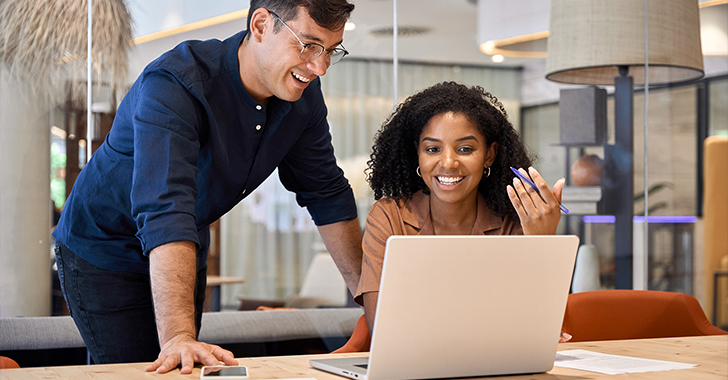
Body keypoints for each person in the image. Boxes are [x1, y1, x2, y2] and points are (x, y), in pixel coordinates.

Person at [51, 0, 363, 374]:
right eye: (309, 45)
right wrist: (178, 335)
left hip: (185, 242)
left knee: (186, 365)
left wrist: (373, 305)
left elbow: (327, 193)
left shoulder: (302, 98)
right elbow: (167, 208)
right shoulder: (175, 84)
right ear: (261, 25)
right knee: (143, 366)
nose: (320, 67)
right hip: (104, 246)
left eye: (331, 50)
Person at [355, 82, 567, 344]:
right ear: (417, 154)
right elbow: (384, 332)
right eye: (432, 149)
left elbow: (538, 329)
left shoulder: (512, 222)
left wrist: (543, 242)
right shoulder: (389, 217)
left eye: (465, 149)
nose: (448, 163)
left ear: (489, 155)